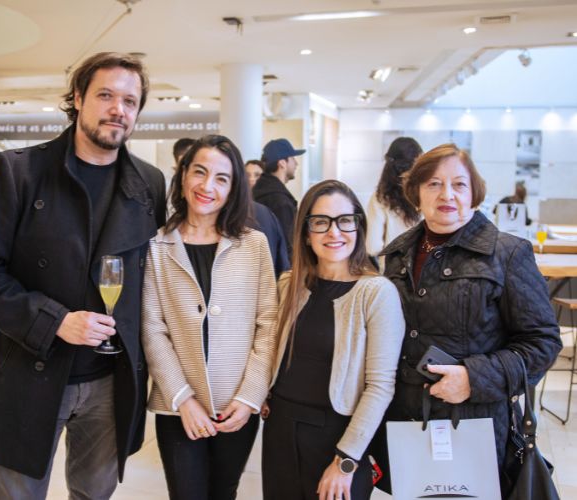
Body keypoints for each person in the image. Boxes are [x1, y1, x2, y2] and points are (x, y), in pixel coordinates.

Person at [0, 52, 166, 499]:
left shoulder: (149, 183)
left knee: (93, 494)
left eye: (130, 101)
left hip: (112, 379)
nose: (118, 109)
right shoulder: (20, 171)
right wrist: (55, 322)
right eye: (105, 95)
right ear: (78, 98)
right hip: (31, 371)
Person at [376, 143, 561, 496]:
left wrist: (473, 379)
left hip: (476, 426)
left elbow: (543, 343)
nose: (447, 194)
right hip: (407, 425)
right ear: (416, 193)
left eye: (459, 184)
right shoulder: (398, 254)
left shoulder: (508, 254)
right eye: (433, 183)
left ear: (474, 193)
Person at [142, 134, 278, 500]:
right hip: (178, 406)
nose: (207, 186)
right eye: (199, 172)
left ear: (233, 189)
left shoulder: (254, 244)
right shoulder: (156, 246)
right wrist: (183, 399)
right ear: (183, 175)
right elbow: (152, 329)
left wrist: (250, 397)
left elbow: (269, 325)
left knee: (224, 492)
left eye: (222, 178)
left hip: (236, 405)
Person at [262, 179, 405, 500]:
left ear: (359, 226)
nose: (334, 232)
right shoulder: (288, 284)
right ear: (305, 232)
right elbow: (270, 349)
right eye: (320, 222)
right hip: (280, 431)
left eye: (344, 220)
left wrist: (345, 460)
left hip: (338, 439)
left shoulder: (376, 293)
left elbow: (380, 386)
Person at [366, 137, 423, 258]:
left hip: (391, 266)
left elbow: (372, 247)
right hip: (424, 264)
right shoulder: (426, 193)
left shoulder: (380, 198)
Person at [253, 138, 306, 257]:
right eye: (293, 159)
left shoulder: (257, 191)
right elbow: (287, 249)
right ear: (282, 163)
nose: (296, 164)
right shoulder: (280, 202)